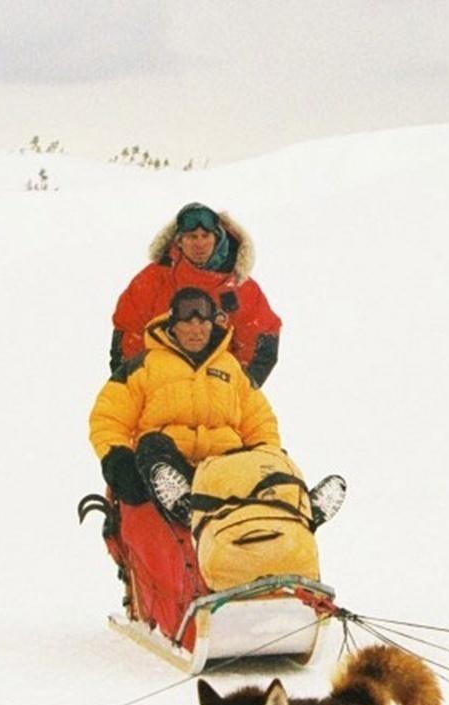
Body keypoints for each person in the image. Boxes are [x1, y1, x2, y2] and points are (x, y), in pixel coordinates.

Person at [90, 287, 342, 526]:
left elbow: (260, 421)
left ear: (212, 326)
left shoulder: (231, 369)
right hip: (170, 467)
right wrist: (116, 459)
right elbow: (108, 417)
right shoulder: (144, 366)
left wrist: (267, 457)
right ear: (172, 325)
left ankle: (299, 507)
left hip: (224, 466)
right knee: (151, 445)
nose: (195, 330)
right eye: (187, 322)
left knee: (270, 459)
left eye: (203, 323)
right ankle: (183, 502)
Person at [110, 203, 283, 387]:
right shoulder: (152, 280)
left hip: (219, 397)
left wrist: (236, 390)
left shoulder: (242, 288)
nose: (199, 244)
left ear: (217, 238)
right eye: (192, 237)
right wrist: (135, 387)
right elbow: (129, 334)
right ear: (179, 241)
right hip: (160, 393)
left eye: (205, 236)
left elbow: (261, 339)